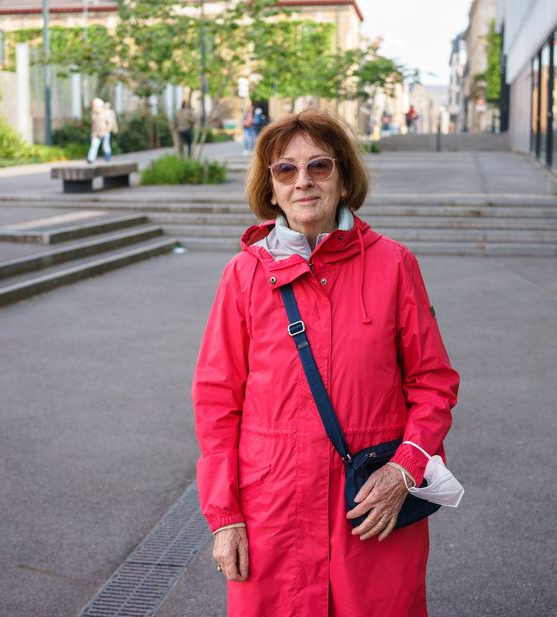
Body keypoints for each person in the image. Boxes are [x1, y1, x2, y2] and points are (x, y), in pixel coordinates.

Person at [192, 109, 459, 617]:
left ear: (343, 177)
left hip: (371, 505)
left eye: (319, 166)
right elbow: (216, 400)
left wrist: (406, 469)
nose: (303, 181)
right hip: (272, 509)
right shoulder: (244, 275)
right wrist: (225, 516)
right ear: (270, 188)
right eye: (285, 170)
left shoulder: (394, 264)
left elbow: (433, 383)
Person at [86, 98, 114, 164]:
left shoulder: (105, 112)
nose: (94, 107)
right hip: (96, 133)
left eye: (95, 106)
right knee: (94, 146)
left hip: (105, 132)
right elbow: (93, 124)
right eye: (93, 106)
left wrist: (106, 131)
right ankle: (90, 159)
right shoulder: (93, 113)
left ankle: (107, 158)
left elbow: (110, 123)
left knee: (106, 146)